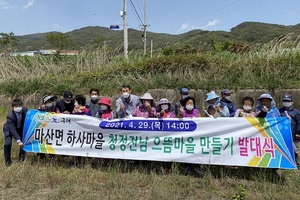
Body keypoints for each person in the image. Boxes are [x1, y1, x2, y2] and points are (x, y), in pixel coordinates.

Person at [3, 98, 28, 166]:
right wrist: (18, 140)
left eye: (19, 106)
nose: (18, 108)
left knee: (24, 142)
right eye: (16, 106)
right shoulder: (10, 116)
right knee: (8, 144)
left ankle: (21, 159)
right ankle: (8, 162)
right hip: (9, 129)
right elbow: (12, 130)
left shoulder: (25, 110)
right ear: (13, 107)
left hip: (19, 128)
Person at [279, 94, 300, 168]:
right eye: (284, 100)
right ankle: (285, 166)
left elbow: (298, 123)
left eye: (288, 101)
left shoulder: (296, 112)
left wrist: (298, 133)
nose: (286, 102)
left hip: (294, 135)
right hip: (284, 136)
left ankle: (297, 167)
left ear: (292, 102)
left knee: (296, 152)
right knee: (284, 151)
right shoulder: (280, 111)